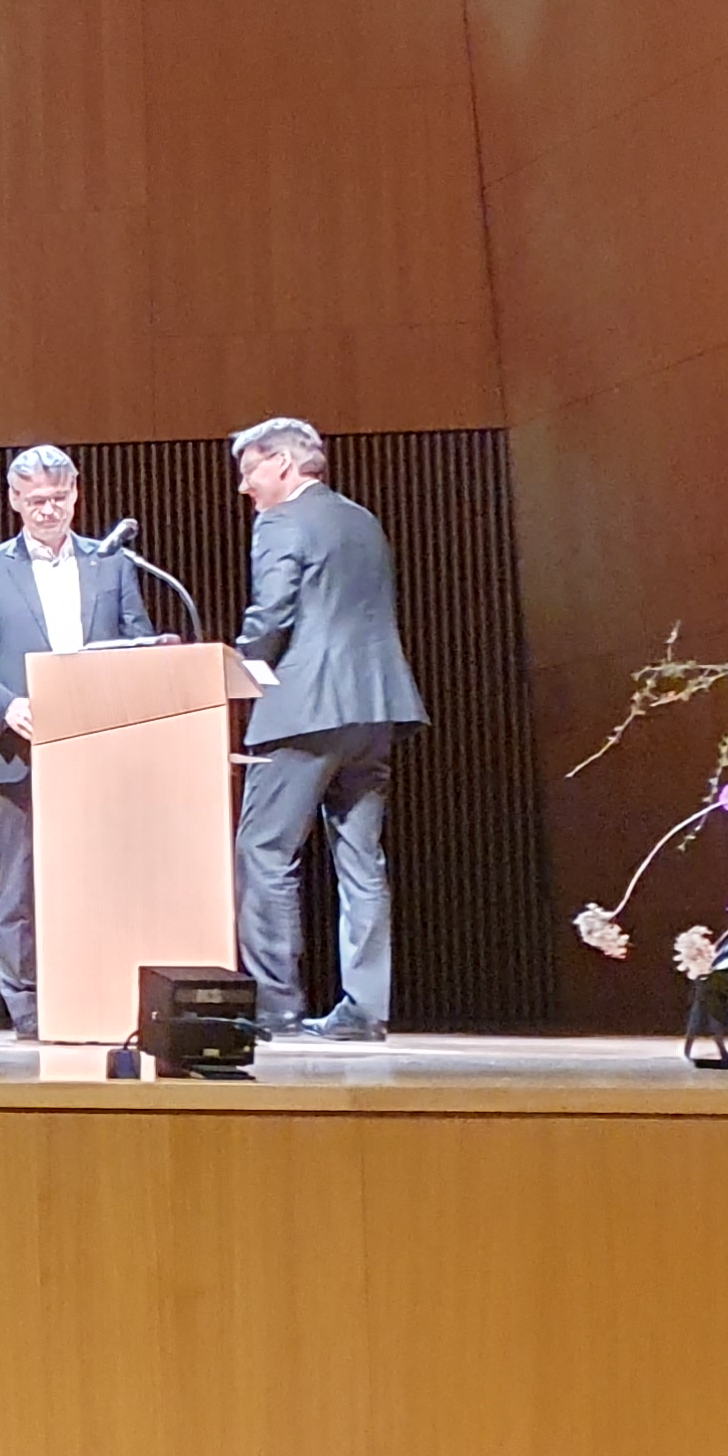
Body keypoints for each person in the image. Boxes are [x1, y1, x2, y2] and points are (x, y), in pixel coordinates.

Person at [0, 446, 159, 1039]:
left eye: (58, 499)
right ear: (14, 500)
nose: (47, 511)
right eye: (36, 500)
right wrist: (8, 706)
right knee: (23, 887)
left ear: (76, 494)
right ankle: (29, 1008)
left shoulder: (112, 564)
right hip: (23, 749)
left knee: (108, 876)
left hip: (103, 748)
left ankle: (108, 994)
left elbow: (140, 644)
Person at [229, 417, 427, 1042]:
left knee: (264, 851)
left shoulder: (281, 520)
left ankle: (275, 1007)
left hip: (306, 708)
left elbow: (272, 613)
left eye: (250, 471)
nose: (245, 487)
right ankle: (365, 1009)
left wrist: (236, 668)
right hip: (376, 707)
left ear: (282, 465)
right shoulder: (363, 519)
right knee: (362, 860)